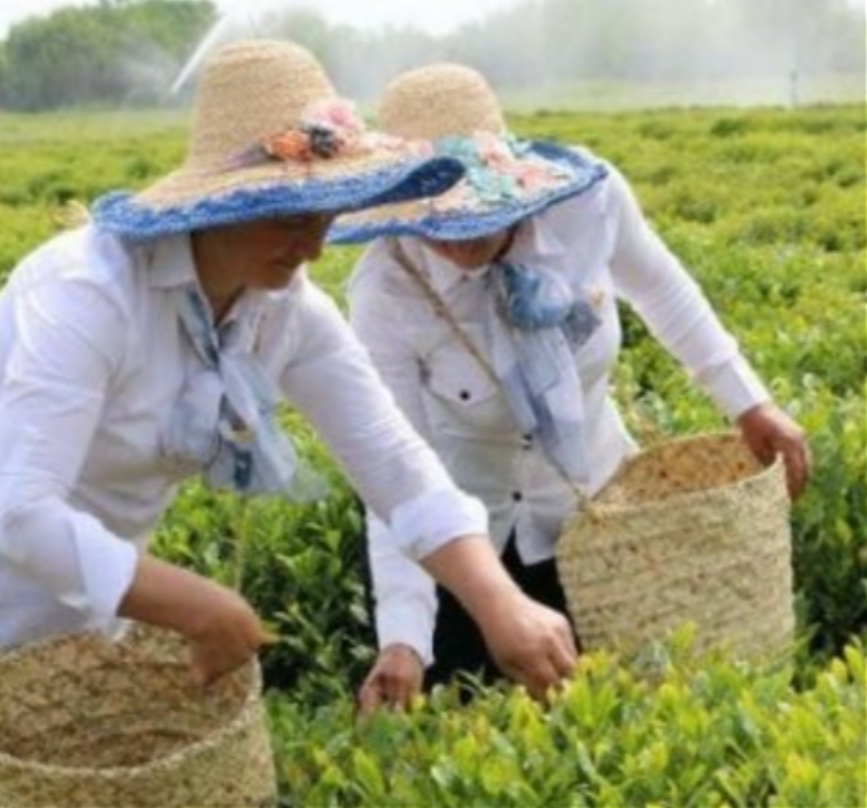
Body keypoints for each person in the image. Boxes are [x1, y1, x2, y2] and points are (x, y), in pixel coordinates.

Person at [0, 40, 579, 808]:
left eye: (328, 211)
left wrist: (498, 602)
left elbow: (396, 465)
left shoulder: (286, 310)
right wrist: (201, 606)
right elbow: (19, 511)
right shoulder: (89, 288)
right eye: (287, 213)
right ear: (217, 203)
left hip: (64, 618)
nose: (313, 243)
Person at [333, 64, 812, 713]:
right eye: (430, 219)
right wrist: (404, 640)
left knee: (632, 715)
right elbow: (395, 475)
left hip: (599, 522)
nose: (455, 237)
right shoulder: (387, 291)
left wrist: (751, 403)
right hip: (466, 551)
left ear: (510, 181)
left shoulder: (588, 204)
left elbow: (663, 290)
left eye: (474, 210)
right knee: (481, 724)